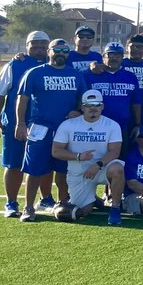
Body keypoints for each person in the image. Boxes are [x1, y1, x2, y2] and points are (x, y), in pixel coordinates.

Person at [15, 38, 88, 222]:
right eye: (57, 50)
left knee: (63, 170)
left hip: (66, 129)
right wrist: (20, 124)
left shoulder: (76, 75)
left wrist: (78, 110)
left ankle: (63, 203)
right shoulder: (34, 73)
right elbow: (22, 99)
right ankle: (28, 207)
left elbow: (83, 98)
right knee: (34, 170)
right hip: (40, 128)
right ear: (49, 51)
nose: (61, 53)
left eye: (65, 50)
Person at [0, 30, 49, 218]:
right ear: (27, 46)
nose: (39, 48)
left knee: (44, 163)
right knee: (13, 163)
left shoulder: (55, 63)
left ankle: (46, 198)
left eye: (43, 45)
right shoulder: (15, 64)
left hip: (44, 124)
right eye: (35, 44)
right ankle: (11, 202)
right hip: (16, 123)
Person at [52, 89, 126, 224]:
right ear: (82, 107)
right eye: (88, 105)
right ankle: (93, 200)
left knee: (117, 169)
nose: (93, 108)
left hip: (102, 168)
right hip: (79, 172)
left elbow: (114, 152)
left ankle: (115, 208)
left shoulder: (112, 125)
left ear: (102, 106)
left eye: (97, 104)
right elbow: (56, 151)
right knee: (82, 212)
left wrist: (97, 165)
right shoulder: (68, 125)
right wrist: (79, 156)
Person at [82, 41, 143, 139]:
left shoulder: (130, 77)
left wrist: (137, 124)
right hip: (95, 126)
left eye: (118, 55)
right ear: (103, 56)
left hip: (122, 127)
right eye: (110, 55)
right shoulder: (91, 75)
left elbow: (136, 104)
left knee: (121, 153)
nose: (114, 58)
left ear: (122, 57)